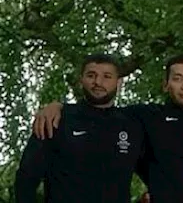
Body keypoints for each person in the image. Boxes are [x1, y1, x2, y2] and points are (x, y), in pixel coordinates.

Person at [33, 53, 183, 203]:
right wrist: (58, 106)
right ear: (165, 84)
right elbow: (100, 109)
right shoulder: (144, 116)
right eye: (177, 78)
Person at [14, 53, 144, 203]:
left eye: (107, 76)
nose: (98, 82)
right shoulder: (56, 119)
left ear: (119, 82)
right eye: (91, 75)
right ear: (81, 79)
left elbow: (159, 170)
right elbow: (27, 177)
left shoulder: (131, 125)